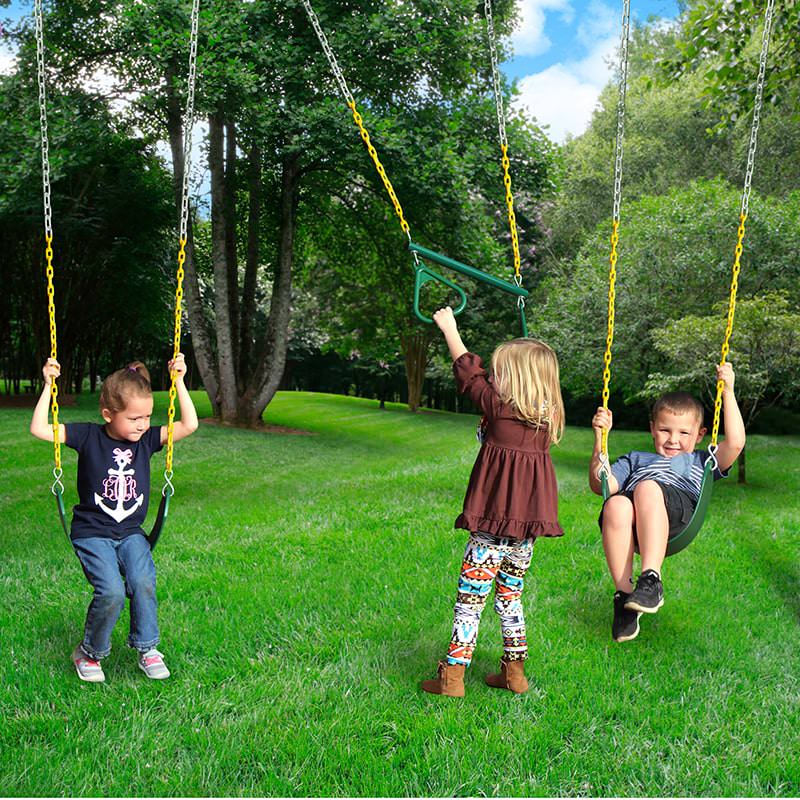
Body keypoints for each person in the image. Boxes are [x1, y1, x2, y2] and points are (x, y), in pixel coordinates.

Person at [421, 307, 565, 698]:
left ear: (513, 380)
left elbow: (468, 372)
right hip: (525, 534)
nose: (493, 378)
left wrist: (449, 327)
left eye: (500, 372)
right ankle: (514, 673)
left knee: (471, 601)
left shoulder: (498, 408)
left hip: (489, 531)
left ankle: (452, 677)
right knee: (510, 598)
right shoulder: (548, 421)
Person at [30, 355, 199, 682]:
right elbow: (39, 428)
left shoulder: (148, 440)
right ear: (108, 414)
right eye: (134, 418)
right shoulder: (88, 436)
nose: (142, 424)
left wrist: (179, 381)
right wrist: (48, 384)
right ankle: (89, 652)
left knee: (143, 582)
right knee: (110, 590)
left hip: (131, 532)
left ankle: (148, 648)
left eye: (147, 417)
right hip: (92, 532)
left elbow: (189, 425)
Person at [589, 362, 745, 643]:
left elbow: (734, 443)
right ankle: (625, 598)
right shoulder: (636, 459)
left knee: (648, 488)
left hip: (677, 514)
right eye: (665, 430)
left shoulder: (701, 460)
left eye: (684, 433)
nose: (673, 440)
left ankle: (651, 579)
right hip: (636, 524)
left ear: (699, 435)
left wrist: (729, 392)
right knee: (615, 504)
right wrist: (600, 441)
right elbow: (601, 484)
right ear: (652, 429)